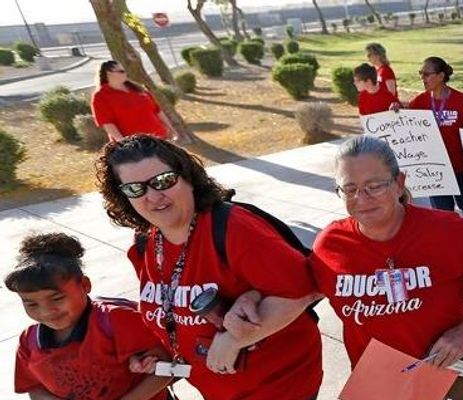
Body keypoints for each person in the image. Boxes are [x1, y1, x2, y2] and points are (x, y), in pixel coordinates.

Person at [97, 135, 324, 399]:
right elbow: (170, 311)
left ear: (188, 178)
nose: (153, 196)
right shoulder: (144, 243)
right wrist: (156, 354)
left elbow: (305, 287)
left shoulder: (234, 228)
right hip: (217, 389)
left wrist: (235, 339)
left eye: (163, 181)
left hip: (279, 385)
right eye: (135, 189)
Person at [307, 135, 463, 395]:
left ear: (399, 183)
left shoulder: (446, 230)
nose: (362, 198)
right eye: (350, 189)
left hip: (450, 374)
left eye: (374, 186)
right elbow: (294, 292)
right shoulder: (331, 244)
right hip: (381, 383)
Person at [9, 232, 172, 400]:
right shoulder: (29, 342)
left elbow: (168, 369)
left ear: (85, 285)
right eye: (31, 304)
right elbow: (34, 387)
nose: (46, 311)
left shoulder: (117, 320)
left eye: (57, 298)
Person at [409, 57, 463, 225]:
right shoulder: (418, 103)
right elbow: (406, 129)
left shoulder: (461, 101)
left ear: (441, 76)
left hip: (461, 169)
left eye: (427, 74)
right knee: (442, 218)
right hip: (435, 172)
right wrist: (396, 111)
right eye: (421, 73)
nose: (422, 78)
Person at [91, 61, 177, 142]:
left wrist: (172, 129)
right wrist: (123, 143)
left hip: (160, 138)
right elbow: (107, 123)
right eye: (121, 71)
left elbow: (157, 110)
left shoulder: (138, 88)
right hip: (135, 146)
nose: (125, 73)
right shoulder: (100, 97)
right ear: (109, 73)